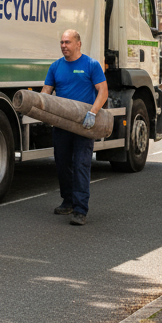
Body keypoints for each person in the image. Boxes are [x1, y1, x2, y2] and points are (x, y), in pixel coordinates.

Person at [41, 28, 109, 226]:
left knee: (80, 164)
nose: (64, 46)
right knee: (62, 164)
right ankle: (68, 201)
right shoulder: (55, 67)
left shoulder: (91, 65)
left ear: (78, 44)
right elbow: (46, 92)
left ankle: (80, 210)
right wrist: (39, 107)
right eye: (62, 42)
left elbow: (102, 92)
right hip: (62, 125)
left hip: (84, 125)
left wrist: (93, 113)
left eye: (67, 42)